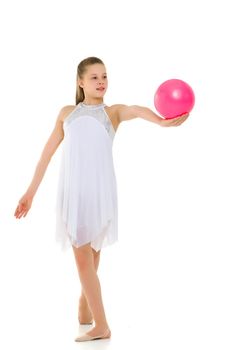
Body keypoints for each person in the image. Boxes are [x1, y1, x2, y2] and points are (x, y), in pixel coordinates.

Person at [14, 56, 189, 342]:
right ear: (80, 82)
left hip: (100, 193)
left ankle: (93, 315)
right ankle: (93, 314)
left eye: (104, 76)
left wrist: (161, 122)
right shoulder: (66, 113)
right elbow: (47, 153)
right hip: (74, 193)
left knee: (90, 258)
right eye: (94, 77)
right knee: (85, 261)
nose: (101, 82)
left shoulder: (112, 113)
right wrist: (30, 192)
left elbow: (136, 109)